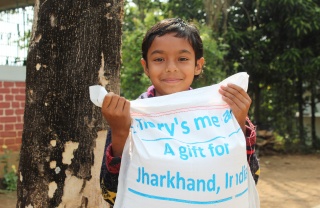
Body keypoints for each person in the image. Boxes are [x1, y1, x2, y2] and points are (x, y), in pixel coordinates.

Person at [99, 18, 260, 206]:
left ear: (198, 65)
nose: (171, 67)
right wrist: (120, 132)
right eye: (159, 59)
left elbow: (249, 181)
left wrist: (237, 124)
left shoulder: (221, 112)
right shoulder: (129, 118)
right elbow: (111, 194)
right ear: (146, 67)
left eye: (182, 59)